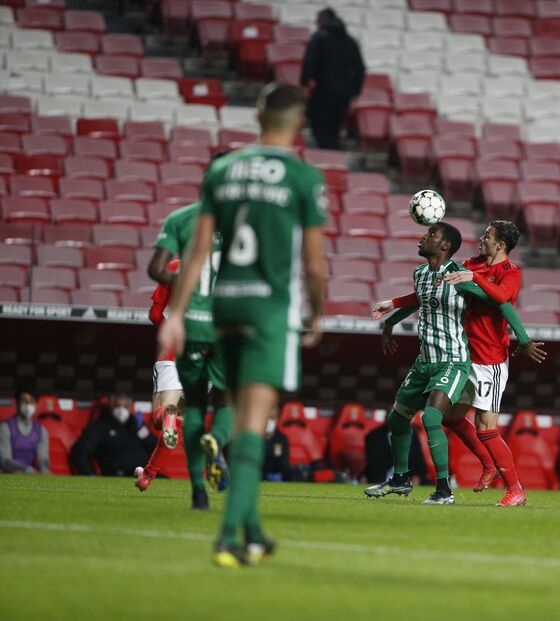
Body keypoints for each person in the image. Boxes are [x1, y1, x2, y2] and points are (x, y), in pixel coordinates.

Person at [159, 82, 328, 568]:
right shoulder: (301, 176)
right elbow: (315, 265)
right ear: (299, 122)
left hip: (222, 309)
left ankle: (254, 532)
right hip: (268, 309)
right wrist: (316, 315)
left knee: (231, 407)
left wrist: (174, 316)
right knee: (254, 424)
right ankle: (227, 537)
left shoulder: (222, 170)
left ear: (257, 115)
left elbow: (196, 253)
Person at [363, 222, 540, 505]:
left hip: (488, 359)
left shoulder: (508, 273)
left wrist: (524, 339)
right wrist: (394, 306)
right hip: (462, 355)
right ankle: (487, 465)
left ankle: (515, 488)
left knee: (485, 427)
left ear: (501, 245)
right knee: (450, 417)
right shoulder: (470, 264)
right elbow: (428, 294)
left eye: (488, 236)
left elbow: (502, 299)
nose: (481, 239)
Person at [136, 174, 234, 511]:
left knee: (167, 419)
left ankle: (165, 466)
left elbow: (154, 314)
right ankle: (210, 448)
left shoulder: (176, 261)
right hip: (216, 344)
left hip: (176, 346)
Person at [300, 7, 365, 150]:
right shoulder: (350, 41)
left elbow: (310, 61)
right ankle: (333, 156)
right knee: (334, 129)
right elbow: (360, 68)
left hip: (324, 90)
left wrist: (304, 84)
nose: (316, 23)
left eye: (318, 20)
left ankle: (328, 155)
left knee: (318, 124)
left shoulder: (320, 37)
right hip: (344, 93)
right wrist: (355, 91)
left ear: (324, 20)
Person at [71, 394, 156, 477]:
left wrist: (142, 432)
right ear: (111, 406)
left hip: (144, 475)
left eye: (125, 406)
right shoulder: (100, 427)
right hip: (116, 476)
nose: (121, 410)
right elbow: (79, 452)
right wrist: (90, 476)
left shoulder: (137, 425)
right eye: (117, 406)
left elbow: (155, 449)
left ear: (130, 407)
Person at [0, 388, 49, 474]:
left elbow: (43, 458)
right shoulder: (5, 428)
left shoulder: (41, 431)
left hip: (29, 477)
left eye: (31, 401)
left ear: (36, 405)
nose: (28, 405)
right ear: (17, 403)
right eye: (24, 401)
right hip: (6, 474)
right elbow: (5, 460)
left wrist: (44, 470)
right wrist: (26, 470)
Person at [263, 410, 290, 482]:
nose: (270, 421)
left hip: (275, 475)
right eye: (267, 418)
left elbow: (283, 460)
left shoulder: (281, 438)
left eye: (272, 418)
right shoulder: (256, 437)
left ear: (276, 420)